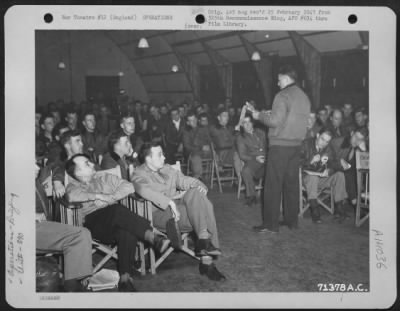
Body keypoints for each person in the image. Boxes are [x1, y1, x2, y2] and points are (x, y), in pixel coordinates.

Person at [65, 154, 170, 292]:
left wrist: (110, 197)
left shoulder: (105, 178)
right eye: (86, 164)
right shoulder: (73, 186)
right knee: (116, 210)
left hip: (115, 221)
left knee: (126, 229)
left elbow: (128, 187)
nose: (92, 164)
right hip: (93, 226)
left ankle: (125, 279)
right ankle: (152, 236)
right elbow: (72, 196)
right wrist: (97, 196)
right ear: (77, 172)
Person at [131, 142, 226, 281]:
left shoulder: (168, 169)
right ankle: (207, 260)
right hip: (158, 214)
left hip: (179, 211)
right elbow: (143, 190)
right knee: (205, 210)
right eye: (159, 155)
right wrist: (169, 201)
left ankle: (203, 239)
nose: (164, 157)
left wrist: (198, 184)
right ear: (148, 158)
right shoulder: (139, 173)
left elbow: (183, 180)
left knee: (195, 193)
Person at [249, 64, 311, 233]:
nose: (277, 83)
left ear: (285, 78)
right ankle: (291, 221)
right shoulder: (304, 96)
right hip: (296, 146)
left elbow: (275, 121)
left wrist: (259, 115)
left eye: (278, 80)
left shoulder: (282, 95)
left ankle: (270, 224)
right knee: (291, 184)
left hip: (280, 146)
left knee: (272, 185)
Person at [35, 163, 92, 292]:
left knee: (82, 234)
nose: (37, 168)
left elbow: (56, 164)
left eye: (36, 163)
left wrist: (56, 182)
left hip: (41, 226)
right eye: (32, 164)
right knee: (79, 235)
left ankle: (72, 287)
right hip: (22, 229)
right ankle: (73, 291)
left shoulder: (35, 176)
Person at [300, 128, 349, 223]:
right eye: (322, 139)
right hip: (305, 178)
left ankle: (339, 208)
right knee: (313, 177)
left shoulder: (328, 148)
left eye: (327, 141)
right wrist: (310, 160)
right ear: (318, 135)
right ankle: (315, 211)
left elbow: (333, 164)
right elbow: (296, 162)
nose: (324, 143)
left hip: (321, 178)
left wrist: (330, 170)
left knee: (339, 175)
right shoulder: (306, 144)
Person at [236, 115, 267, 207]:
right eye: (245, 123)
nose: (247, 125)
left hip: (267, 159)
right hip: (253, 160)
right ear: (242, 125)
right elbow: (242, 155)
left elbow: (268, 146)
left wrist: (267, 157)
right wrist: (255, 158)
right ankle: (251, 196)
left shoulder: (261, 132)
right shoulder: (241, 138)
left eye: (249, 122)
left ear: (252, 123)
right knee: (246, 171)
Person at [182, 111, 212, 180]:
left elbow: (210, 140)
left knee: (214, 154)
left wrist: (209, 146)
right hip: (193, 153)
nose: (194, 122)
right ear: (188, 123)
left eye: (194, 119)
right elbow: (187, 147)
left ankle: (219, 171)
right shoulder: (186, 132)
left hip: (205, 152)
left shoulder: (203, 129)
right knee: (196, 157)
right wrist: (201, 147)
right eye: (191, 121)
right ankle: (198, 177)